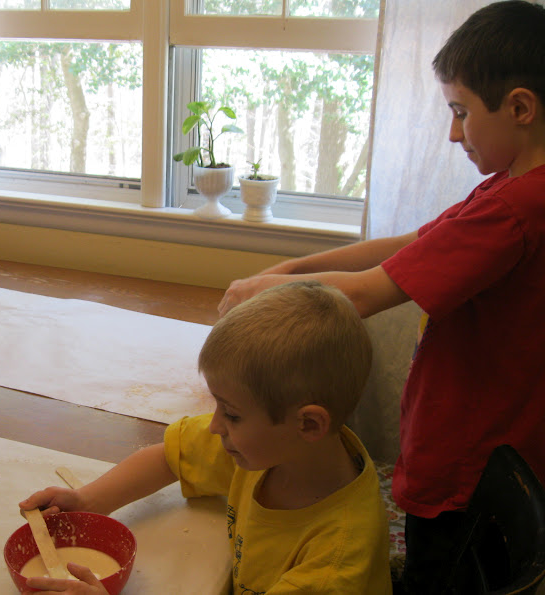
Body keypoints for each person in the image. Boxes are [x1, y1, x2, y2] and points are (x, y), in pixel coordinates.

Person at [217, 2, 545, 592]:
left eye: (461, 111)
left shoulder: (514, 210)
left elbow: (367, 293)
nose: (452, 132)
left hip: (466, 465)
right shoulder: (510, 189)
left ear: (520, 107)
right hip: (493, 442)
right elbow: (408, 245)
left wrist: (260, 290)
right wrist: (296, 266)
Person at [19, 281, 392, 595]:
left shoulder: (335, 568)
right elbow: (170, 456)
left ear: (309, 425)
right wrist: (88, 500)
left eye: (231, 413)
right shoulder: (278, 449)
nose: (214, 426)